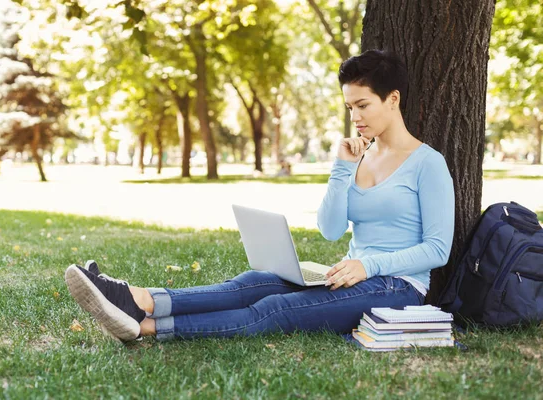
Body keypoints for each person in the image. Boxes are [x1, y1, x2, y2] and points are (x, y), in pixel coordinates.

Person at [64, 50, 455, 343]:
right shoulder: (361, 156)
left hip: (398, 287)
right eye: (350, 106)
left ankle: (145, 326)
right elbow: (331, 229)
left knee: (275, 308)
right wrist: (341, 169)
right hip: (350, 275)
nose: (355, 116)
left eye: (363, 105)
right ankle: (137, 298)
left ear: (393, 100)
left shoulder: (427, 163)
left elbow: (438, 250)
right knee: (254, 282)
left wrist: (368, 267)